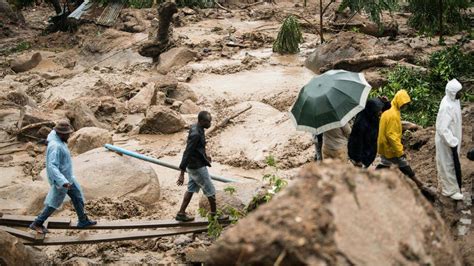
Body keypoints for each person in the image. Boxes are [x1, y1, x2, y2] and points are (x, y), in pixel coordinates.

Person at [29, 120, 96, 234]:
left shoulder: (54, 137)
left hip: (68, 176)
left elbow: (50, 136)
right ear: (60, 134)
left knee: (77, 196)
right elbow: (52, 166)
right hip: (61, 179)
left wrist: (46, 141)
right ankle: (37, 223)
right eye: (67, 134)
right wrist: (62, 181)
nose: (69, 136)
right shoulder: (56, 146)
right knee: (54, 202)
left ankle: (83, 220)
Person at [375, 90, 435, 200]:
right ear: (399, 101)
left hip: (384, 145)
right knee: (403, 164)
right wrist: (400, 151)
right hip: (390, 147)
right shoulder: (393, 114)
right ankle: (421, 186)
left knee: (386, 163)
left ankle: (373, 180)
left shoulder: (391, 110)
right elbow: (391, 135)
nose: (405, 106)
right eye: (404, 104)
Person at [176, 111, 227, 222]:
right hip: (197, 167)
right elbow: (187, 152)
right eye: (208, 122)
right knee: (211, 190)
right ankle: (214, 215)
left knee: (191, 189)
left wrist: (205, 156)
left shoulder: (198, 128)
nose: (210, 124)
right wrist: (181, 173)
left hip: (194, 165)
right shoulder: (196, 134)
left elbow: (197, 148)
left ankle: (181, 213)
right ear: (201, 121)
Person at [435, 79, 464, 201]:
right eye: (458, 92)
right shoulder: (446, 106)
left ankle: (450, 186)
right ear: (452, 92)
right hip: (446, 141)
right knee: (448, 164)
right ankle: (449, 190)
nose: (461, 94)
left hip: (453, 138)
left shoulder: (454, 101)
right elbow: (441, 128)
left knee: (452, 163)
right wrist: (452, 141)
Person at [348, 98, 385, 168]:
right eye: (378, 110)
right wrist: (358, 159)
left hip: (368, 152)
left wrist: (386, 102)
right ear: (372, 110)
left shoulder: (372, 116)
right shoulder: (361, 123)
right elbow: (357, 142)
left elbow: (386, 109)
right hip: (361, 157)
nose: (380, 112)